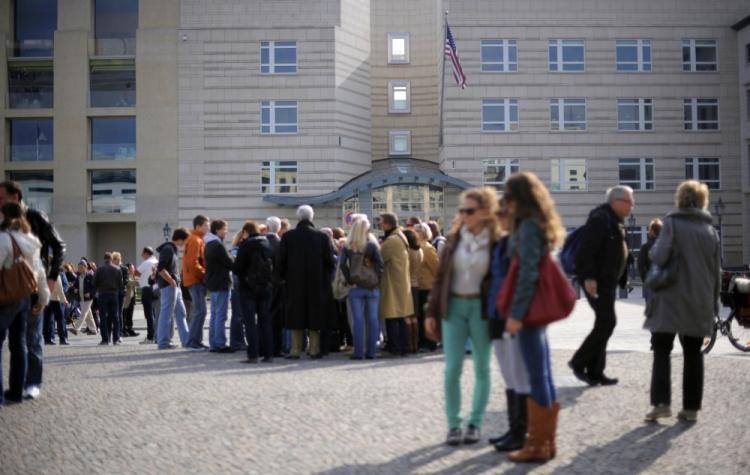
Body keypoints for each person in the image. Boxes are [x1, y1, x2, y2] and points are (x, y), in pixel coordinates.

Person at [499, 172, 566, 463]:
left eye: (508, 196)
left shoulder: (527, 227)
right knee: (543, 373)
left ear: (517, 198)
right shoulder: (539, 222)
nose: (505, 202)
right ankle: (546, 442)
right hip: (537, 309)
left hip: (528, 310)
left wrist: (516, 314)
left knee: (537, 374)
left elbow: (527, 273)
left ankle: (537, 444)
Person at [425, 187, 498, 446]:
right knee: (452, 368)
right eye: (462, 210)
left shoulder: (496, 241)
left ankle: (475, 423)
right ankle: (454, 425)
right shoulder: (454, 239)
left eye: (470, 210)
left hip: (481, 310)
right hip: (454, 307)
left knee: (482, 367)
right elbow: (440, 279)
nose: (464, 215)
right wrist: (431, 312)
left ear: (485, 212)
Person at [644, 181, 720, 423]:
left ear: (680, 199)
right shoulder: (711, 231)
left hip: (670, 299)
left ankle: (661, 404)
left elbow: (659, 255)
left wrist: (652, 252)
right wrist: (714, 305)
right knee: (693, 353)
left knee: (662, 350)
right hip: (699, 300)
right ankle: (691, 409)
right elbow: (716, 271)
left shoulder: (672, 224)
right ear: (702, 201)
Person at [0, 181, 65, 401]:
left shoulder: (36, 216)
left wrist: (52, 277)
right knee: (18, 340)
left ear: (15, 197)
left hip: (31, 284)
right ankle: (16, 387)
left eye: (2, 198)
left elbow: (58, 246)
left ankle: (32, 382)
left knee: (32, 337)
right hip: (11, 287)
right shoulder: (4, 220)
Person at [570, 185, 633, 386]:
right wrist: (589, 278)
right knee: (607, 322)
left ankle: (596, 372)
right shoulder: (600, 219)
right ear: (616, 202)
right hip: (595, 281)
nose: (632, 206)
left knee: (603, 323)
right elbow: (586, 251)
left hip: (607, 281)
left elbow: (618, 252)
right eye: (629, 202)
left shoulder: (615, 221)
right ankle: (579, 362)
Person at [485, 198, 531, 452]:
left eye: (503, 212)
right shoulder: (501, 242)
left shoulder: (521, 242)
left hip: (513, 315)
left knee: (519, 374)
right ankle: (514, 428)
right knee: (508, 375)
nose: (499, 216)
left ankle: (521, 431)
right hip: (496, 313)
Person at [0, 202, 50, 406]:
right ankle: (16, 391)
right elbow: (38, 270)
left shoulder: (4, 238)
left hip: (5, 296)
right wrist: (43, 297)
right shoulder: (30, 239)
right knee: (19, 344)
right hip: (25, 296)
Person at [278, 205, 336, 360]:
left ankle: (295, 349)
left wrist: (282, 277)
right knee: (315, 315)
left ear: (298, 218)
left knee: (296, 314)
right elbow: (330, 262)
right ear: (312, 217)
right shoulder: (322, 237)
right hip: (317, 283)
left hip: (294, 282)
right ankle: (314, 349)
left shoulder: (288, 236)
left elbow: (281, 261)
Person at [339, 216, 384, 360]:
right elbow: (380, 265)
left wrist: (350, 280)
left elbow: (342, 265)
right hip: (372, 287)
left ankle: (358, 352)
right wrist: (377, 281)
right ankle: (371, 352)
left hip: (356, 286)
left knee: (358, 320)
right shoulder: (371, 245)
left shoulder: (348, 245)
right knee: (372, 319)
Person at [233, 220, 275, 363]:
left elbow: (238, 269)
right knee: (265, 321)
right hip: (266, 288)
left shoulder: (245, 246)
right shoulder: (267, 244)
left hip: (247, 288)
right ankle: (268, 354)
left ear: (246, 232)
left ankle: (253, 355)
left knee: (250, 322)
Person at [379, 213, 413, 357]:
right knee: (400, 316)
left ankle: (396, 347)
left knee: (392, 316)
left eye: (380, 222)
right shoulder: (400, 236)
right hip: (400, 281)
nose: (379, 225)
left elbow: (379, 258)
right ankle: (403, 346)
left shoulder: (392, 240)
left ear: (387, 224)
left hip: (392, 282)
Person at [156, 227, 191, 350]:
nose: (186, 243)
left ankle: (186, 340)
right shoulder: (168, 249)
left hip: (174, 285)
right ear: (181, 239)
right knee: (166, 314)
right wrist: (171, 281)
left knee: (181, 313)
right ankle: (164, 342)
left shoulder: (171, 249)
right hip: (169, 286)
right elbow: (160, 268)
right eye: (186, 240)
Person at [204, 219, 234, 353]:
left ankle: (213, 343)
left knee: (214, 315)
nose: (226, 231)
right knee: (221, 315)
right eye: (224, 229)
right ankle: (221, 343)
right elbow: (229, 262)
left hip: (213, 282)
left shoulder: (208, 244)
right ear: (217, 230)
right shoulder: (218, 245)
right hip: (221, 282)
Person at [184, 215, 210, 351]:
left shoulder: (195, 239)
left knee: (199, 311)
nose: (208, 227)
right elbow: (193, 263)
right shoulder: (196, 240)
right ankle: (193, 342)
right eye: (206, 225)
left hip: (193, 280)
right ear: (198, 226)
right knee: (200, 311)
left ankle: (195, 341)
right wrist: (205, 275)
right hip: (196, 280)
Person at [414, 223, 439, 352]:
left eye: (417, 230)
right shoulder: (417, 246)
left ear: (423, 232)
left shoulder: (428, 248)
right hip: (419, 286)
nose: (414, 231)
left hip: (428, 286)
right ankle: (422, 341)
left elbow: (436, 268)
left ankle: (430, 343)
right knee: (420, 316)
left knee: (427, 316)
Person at [94, 253, 123, 345]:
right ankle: (116, 339)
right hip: (114, 294)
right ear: (111, 259)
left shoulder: (99, 269)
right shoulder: (117, 269)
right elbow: (121, 284)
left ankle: (105, 339)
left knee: (103, 318)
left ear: (104, 259)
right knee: (115, 317)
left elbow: (94, 282)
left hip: (102, 294)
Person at [265, 216, 284, 357]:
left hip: (262, 284)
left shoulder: (261, 242)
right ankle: (276, 347)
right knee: (277, 317)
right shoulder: (281, 244)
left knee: (263, 315)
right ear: (279, 229)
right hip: (277, 284)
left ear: (267, 227)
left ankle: (263, 345)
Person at [403, 228, 423, 354]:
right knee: (414, 317)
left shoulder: (407, 252)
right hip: (417, 284)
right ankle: (415, 343)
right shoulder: (420, 250)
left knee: (406, 316)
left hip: (407, 284)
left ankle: (409, 344)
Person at [229, 230, 248, 351]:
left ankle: (239, 341)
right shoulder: (237, 249)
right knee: (238, 314)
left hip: (239, 283)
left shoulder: (237, 248)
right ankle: (236, 341)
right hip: (238, 283)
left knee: (240, 314)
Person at [136, 247, 158, 344]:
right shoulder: (156, 261)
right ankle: (156, 335)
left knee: (148, 315)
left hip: (146, 288)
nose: (141, 255)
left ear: (146, 253)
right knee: (155, 314)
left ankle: (150, 337)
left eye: (142, 253)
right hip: (156, 288)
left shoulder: (146, 262)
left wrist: (140, 277)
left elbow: (136, 273)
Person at [638, 219, 663, 304]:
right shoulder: (667, 246)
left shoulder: (645, 247)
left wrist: (645, 279)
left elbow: (640, 266)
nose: (648, 232)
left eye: (649, 230)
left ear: (652, 231)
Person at [43, 273, 69, 345]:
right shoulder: (56, 275)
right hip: (55, 300)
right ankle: (62, 339)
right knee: (60, 320)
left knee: (47, 320)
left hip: (46, 299)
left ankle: (48, 339)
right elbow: (59, 289)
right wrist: (64, 300)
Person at [122, 264, 139, 337]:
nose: (133, 269)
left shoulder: (133, 276)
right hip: (127, 298)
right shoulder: (126, 275)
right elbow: (129, 283)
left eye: (133, 268)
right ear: (128, 269)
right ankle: (124, 329)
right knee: (125, 314)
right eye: (132, 268)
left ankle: (130, 329)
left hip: (132, 298)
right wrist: (138, 281)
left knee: (130, 314)